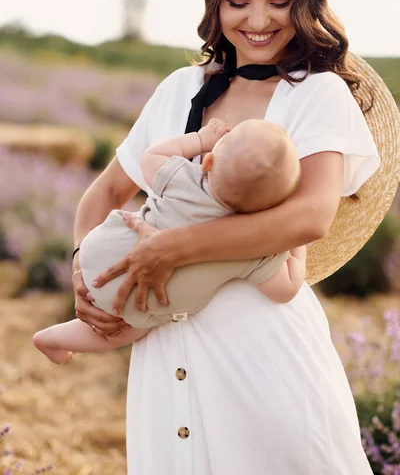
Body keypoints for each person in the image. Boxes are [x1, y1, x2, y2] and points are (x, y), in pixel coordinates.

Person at [70, 0, 385, 474]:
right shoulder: (179, 90)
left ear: (306, 3)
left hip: (266, 356)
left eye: (280, 1)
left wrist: (174, 250)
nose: (258, 20)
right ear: (216, 1)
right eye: (238, 1)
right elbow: (105, 193)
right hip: (164, 358)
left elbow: (311, 216)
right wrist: (83, 271)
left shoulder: (318, 93)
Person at [33, 117, 306, 364]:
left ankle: (50, 337)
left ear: (208, 162)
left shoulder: (186, 179)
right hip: (141, 304)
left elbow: (150, 157)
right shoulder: (253, 249)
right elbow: (286, 289)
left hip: (99, 254)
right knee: (118, 333)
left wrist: (200, 139)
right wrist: (294, 237)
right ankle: (55, 339)